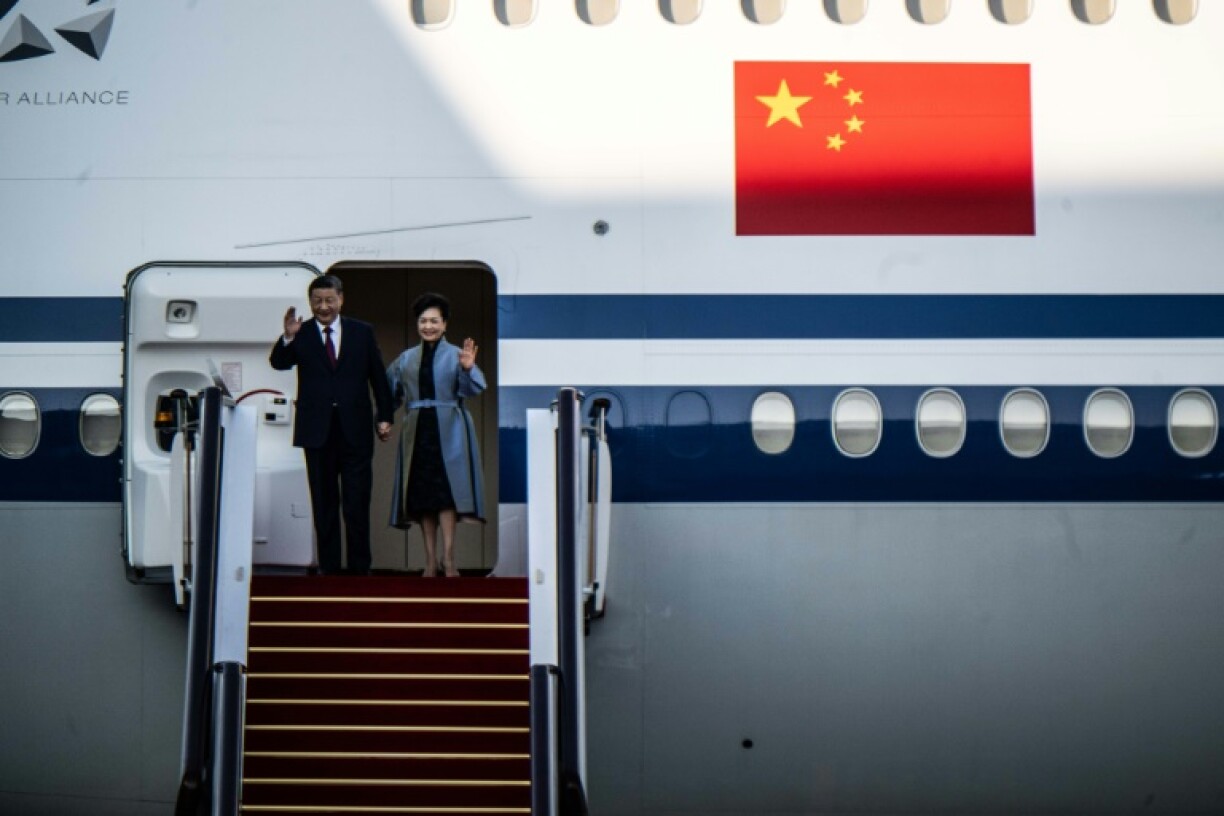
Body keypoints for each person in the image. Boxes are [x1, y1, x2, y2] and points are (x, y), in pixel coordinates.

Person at [270, 274, 394, 575]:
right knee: (324, 503)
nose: (323, 307)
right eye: (317, 301)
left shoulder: (361, 332)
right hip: (317, 431)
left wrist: (385, 416)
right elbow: (279, 362)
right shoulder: (302, 332)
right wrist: (287, 336)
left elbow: (378, 377)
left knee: (356, 502)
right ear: (310, 302)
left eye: (329, 300)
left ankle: (359, 570)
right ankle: (329, 570)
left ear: (341, 299)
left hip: (356, 429)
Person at [386, 292, 486, 577]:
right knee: (423, 498)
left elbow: (473, 390)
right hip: (417, 430)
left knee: (446, 495)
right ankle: (430, 561)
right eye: (423, 321)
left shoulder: (458, 354)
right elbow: (388, 394)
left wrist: (467, 368)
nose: (428, 326)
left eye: (434, 321)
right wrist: (384, 420)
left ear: (445, 325)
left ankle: (449, 559)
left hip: (450, 429)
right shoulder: (405, 359)